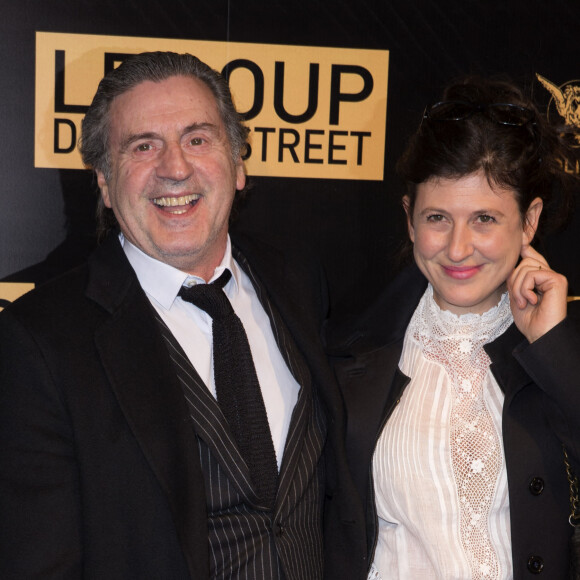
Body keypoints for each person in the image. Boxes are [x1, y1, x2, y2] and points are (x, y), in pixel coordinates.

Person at [0, 51, 345, 579]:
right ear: (104, 181)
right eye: (143, 146)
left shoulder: (297, 280)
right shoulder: (40, 339)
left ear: (239, 163)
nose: (175, 168)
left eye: (198, 139)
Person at [325, 76, 580, 579]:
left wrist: (554, 350)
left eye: (484, 218)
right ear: (409, 217)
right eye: (438, 217)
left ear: (529, 222)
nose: (458, 248)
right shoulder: (347, 352)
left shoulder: (563, 353)